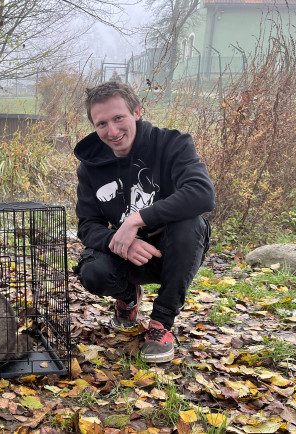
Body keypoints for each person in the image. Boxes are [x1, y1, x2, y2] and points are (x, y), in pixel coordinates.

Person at [73, 81, 214, 363]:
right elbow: (88, 225)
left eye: (118, 118)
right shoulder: (90, 168)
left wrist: (135, 220)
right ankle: (128, 298)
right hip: (129, 255)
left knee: (191, 224)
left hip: (173, 253)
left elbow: (202, 194)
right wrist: (120, 242)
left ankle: (161, 324)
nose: (112, 131)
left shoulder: (173, 143)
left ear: (137, 111)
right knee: (92, 272)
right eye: (102, 124)